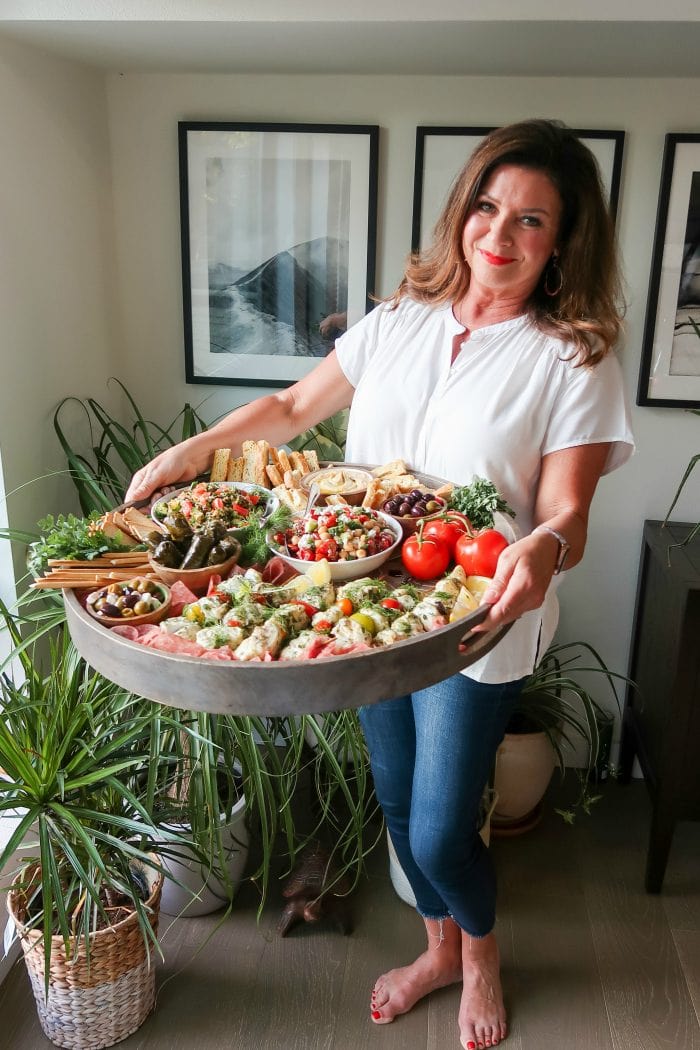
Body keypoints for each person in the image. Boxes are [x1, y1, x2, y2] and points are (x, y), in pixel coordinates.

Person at [126, 119, 634, 1050]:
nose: (498, 235)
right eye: (486, 207)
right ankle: (438, 949)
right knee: (396, 803)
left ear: (561, 240)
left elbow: (568, 516)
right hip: (364, 605)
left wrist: (543, 550)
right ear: (462, 211)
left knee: (442, 833)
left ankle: (479, 961)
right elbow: (289, 407)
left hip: (476, 619)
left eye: (530, 220)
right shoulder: (400, 318)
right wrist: (193, 451)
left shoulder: (574, 356)